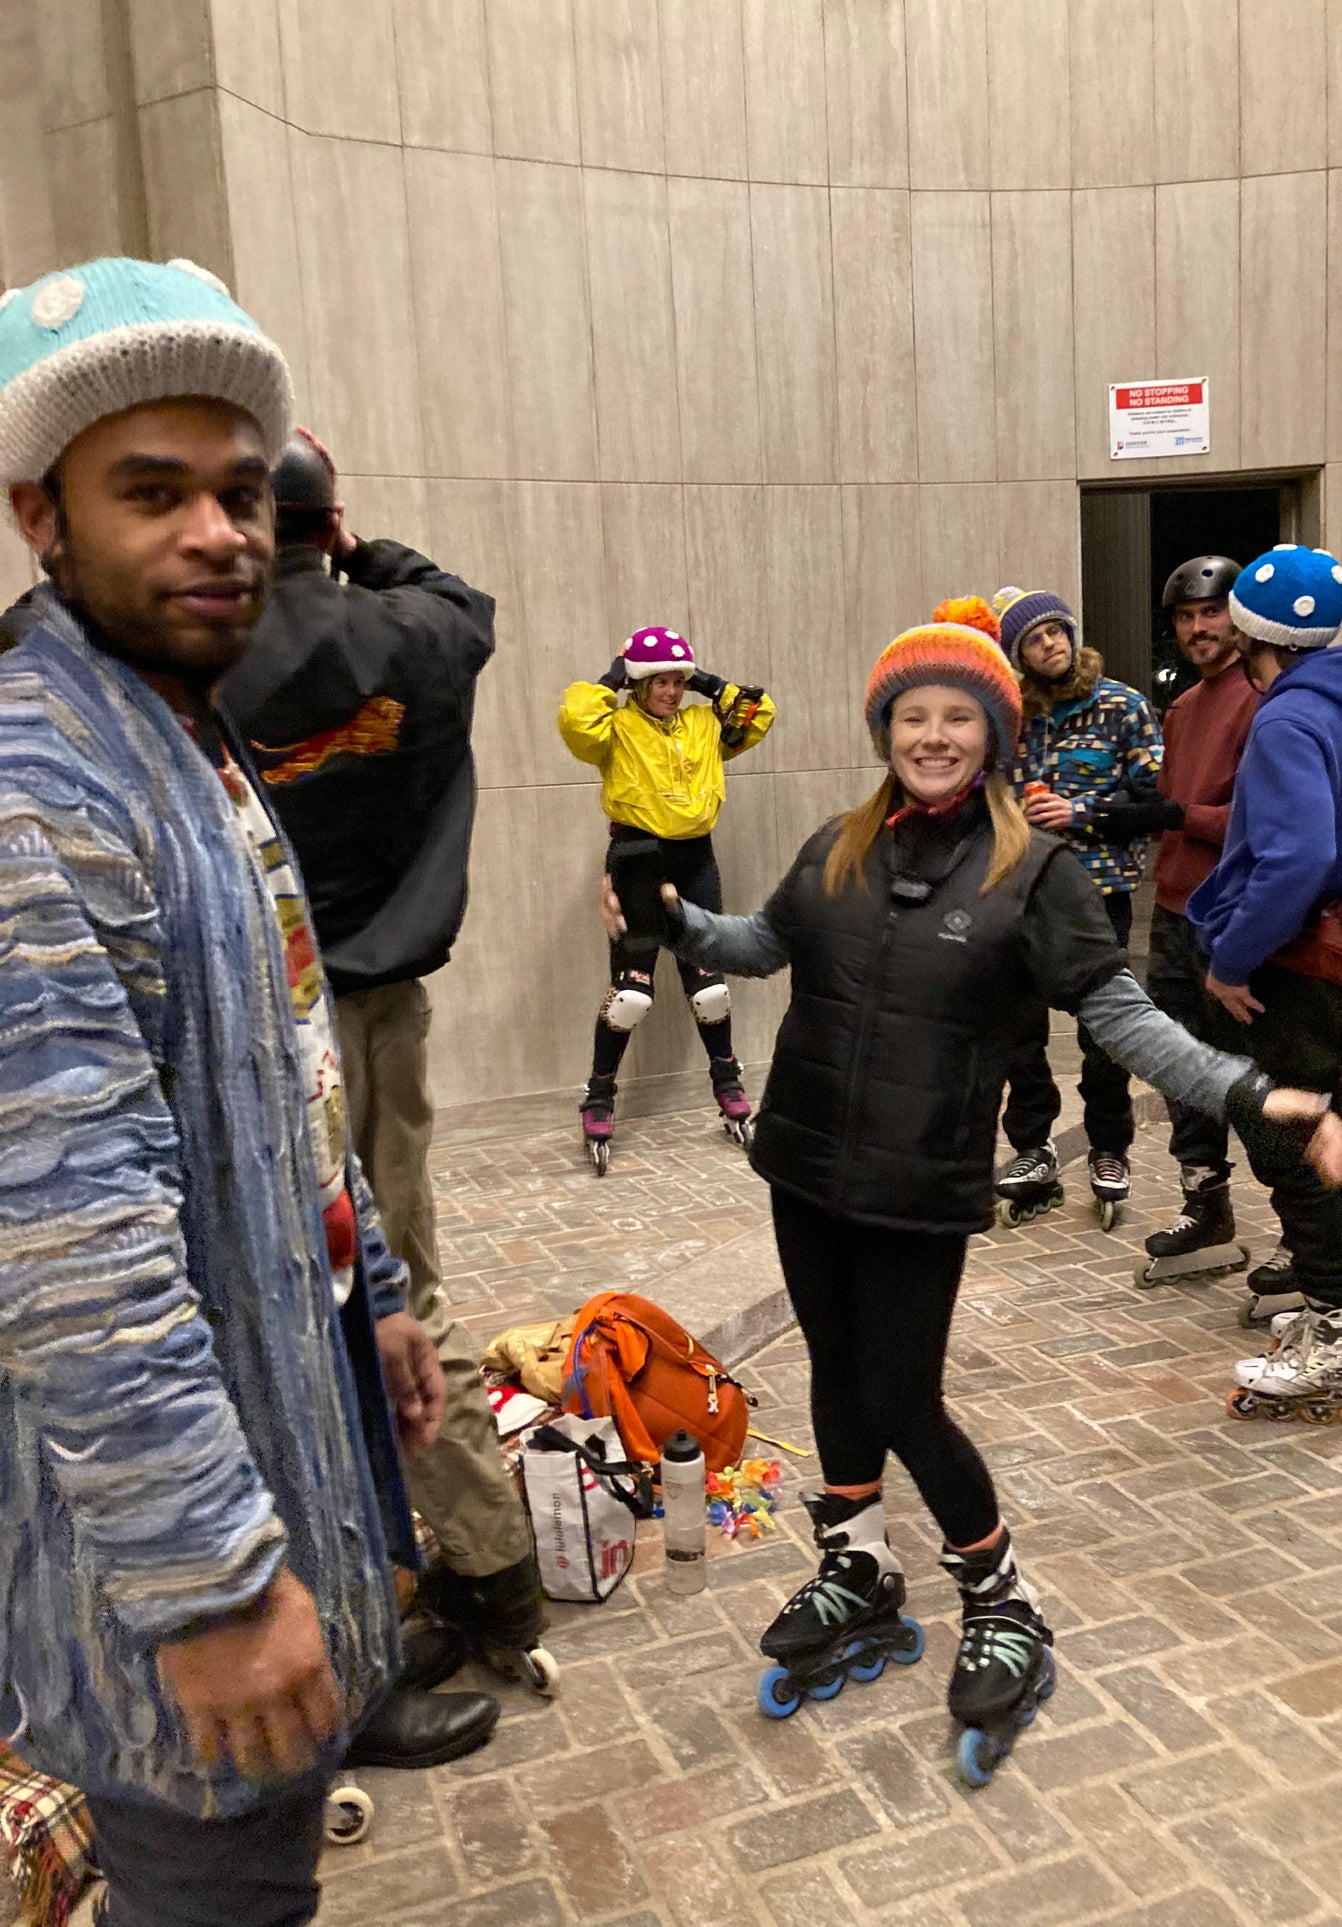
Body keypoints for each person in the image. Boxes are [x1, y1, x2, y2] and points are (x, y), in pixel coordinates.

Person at [603, 598, 1342, 1782]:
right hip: (802, 1165)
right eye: (913, 714)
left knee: (903, 1394)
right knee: (835, 1374)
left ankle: (999, 1592)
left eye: (959, 716)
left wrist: (1254, 1095)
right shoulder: (835, 847)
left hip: (917, 1179)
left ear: (994, 735)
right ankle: (856, 1558)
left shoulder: (1035, 871)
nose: (934, 734)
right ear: (885, 727)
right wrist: (677, 918)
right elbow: (757, 945)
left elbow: (1118, 1017)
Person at [0, 256, 483, 1927]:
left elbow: (291, 1067)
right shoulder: (36, 785)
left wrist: (385, 1296)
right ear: (38, 514)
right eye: (153, 493)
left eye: (237, 490)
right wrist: (210, 1584)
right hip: (162, 1590)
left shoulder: (183, 736)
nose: (217, 532)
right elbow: (72, 1248)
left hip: (293, 1420)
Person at [223, 433, 556, 1701]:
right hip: (382, 1012)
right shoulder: (414, 634)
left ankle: (380, 1579)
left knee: (292, 1310)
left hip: (257, 1033)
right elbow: (463, 603)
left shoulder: (199, 655)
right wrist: (363, 549)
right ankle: (486, 1564)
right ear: (335, 522)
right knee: (400, 1286)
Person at [1188, 545, 1342, 1417]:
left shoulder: (1284, 718)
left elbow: (1297, 855)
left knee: (1286, 1139)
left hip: (1284, 958)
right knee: (1324, 1126)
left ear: (1248, 629)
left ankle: (1334, 1328)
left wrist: (1231, 961)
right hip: (1325, 952)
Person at [1091, 557, 1268, 1292]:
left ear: (1239, 617)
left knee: (1250, 1076)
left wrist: (1173, 814)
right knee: (1177, 1069)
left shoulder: (1263, 702)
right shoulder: (1183, 707)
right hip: (1170, 914)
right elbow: (1168, 800)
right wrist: (1127, 803)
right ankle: (1206, 1204)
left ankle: (1299, 1233)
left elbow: (1261, 825)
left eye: (1211, 612)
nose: (1198, 627)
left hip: (1231, 921)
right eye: (1184, 618)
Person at [559, 626, 775, 1171]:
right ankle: (599, 1095)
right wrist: (614, 677)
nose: (672, 690)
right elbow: (577, 725)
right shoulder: (616, 726)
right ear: (638, 682)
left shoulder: (705, 724)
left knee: (709, 987)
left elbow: (757, 713)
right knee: (633, 991)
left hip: (695, 858)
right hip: (637, 856)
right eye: (660, 680)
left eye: (679, 681)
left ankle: (728, 1084)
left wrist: (704, 678)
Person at [991, 589, 1163, 1226]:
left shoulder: (1122, 705)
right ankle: (1033, 1151)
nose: (1050, 644)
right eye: (1034, 640)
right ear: (1022, 655)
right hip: (1022, 893)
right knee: (1020, 1032)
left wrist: (1082, 813)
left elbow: (1157, 801)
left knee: (1104, 1033)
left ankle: (1108, 1149)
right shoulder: (1011, 717)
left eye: (1055, 631)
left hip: (1099, 896)